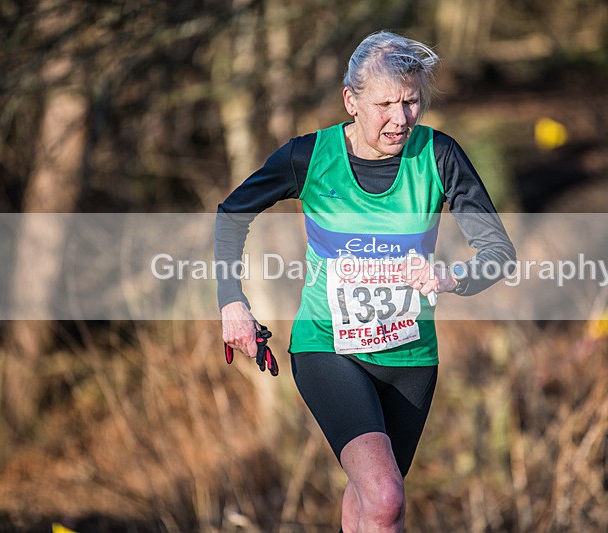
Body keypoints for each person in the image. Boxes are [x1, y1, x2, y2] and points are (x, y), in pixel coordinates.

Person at [215, 30, 515, 532]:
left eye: (412, 102)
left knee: (369, 503)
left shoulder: (438, 156)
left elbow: (499, 252)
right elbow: (231, 215)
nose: (401, 119)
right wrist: (232, 303)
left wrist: (451, 276)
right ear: (351, 100)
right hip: (328, 347)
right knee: (385, 496)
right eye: (386, 104)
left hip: (410, 357)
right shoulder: (309, 157)